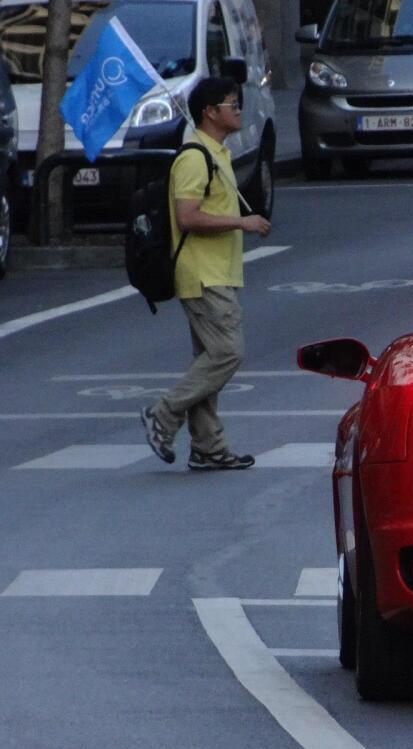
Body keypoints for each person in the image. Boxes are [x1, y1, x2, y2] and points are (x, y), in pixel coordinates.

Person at [140, 76, 271, 470]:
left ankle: (209, 447)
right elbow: (188, 216)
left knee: (209, 361)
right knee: (227, 353)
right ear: (209, 112)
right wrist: (241, 222)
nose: (239, 110)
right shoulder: (195, 157)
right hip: (202, 273)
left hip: (216, 272)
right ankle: (163, 413)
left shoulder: (216, 154)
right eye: (232, 104)